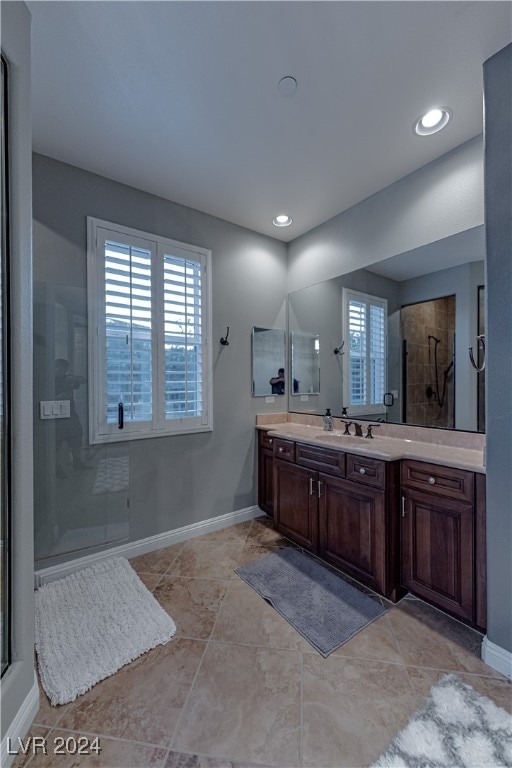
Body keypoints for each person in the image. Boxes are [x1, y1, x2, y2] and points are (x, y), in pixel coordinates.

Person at [55, 358, 90, 477]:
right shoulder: (49, 380)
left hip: (70, 413)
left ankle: (77, 462)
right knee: (56, 442)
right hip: (56, 415)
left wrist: (74, 378)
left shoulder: (67, 379)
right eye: (60, 368)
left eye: (64, 369)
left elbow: (84, 381)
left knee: (76, 436)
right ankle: (56, 467)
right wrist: (57, 398)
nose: (62, 371)